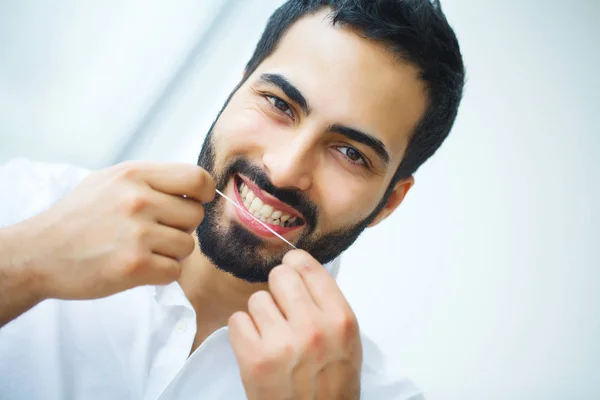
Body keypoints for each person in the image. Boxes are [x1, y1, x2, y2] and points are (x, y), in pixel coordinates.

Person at [0, 0, 464, 398]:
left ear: (389, 203)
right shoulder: (22, 205)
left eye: (349, 153)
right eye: (280, 104)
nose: (284, 168)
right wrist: (22, 267)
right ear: (237, 88)